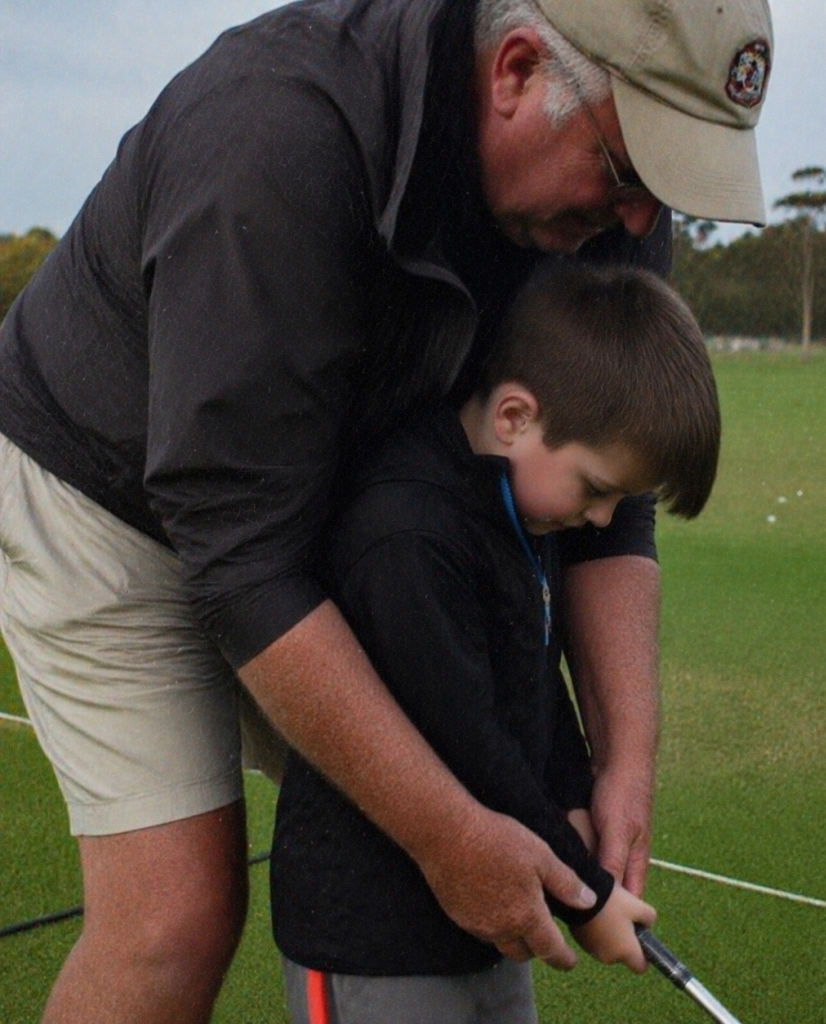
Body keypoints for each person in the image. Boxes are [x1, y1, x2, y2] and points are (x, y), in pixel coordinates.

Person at [0, 0, 772, 1019]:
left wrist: (623, 755)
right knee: (173, 918)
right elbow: (244, 564)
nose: (640, 222)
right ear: (515, 71)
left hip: (346, 497)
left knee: (452, 809)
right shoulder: (277, 138)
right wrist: (451, 833)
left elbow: (614, 505)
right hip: (111, 484)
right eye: (628, 170)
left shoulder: (605, 213)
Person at [271, 262, 720, 1024]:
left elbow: (537, 681)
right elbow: (470, 740)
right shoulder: (408, 534)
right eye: (596, 487)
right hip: (373, 944)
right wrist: (588, 896)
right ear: (514, 416)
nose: (606, 521)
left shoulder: (523, 507)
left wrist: (576, 796)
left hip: (486, 923)